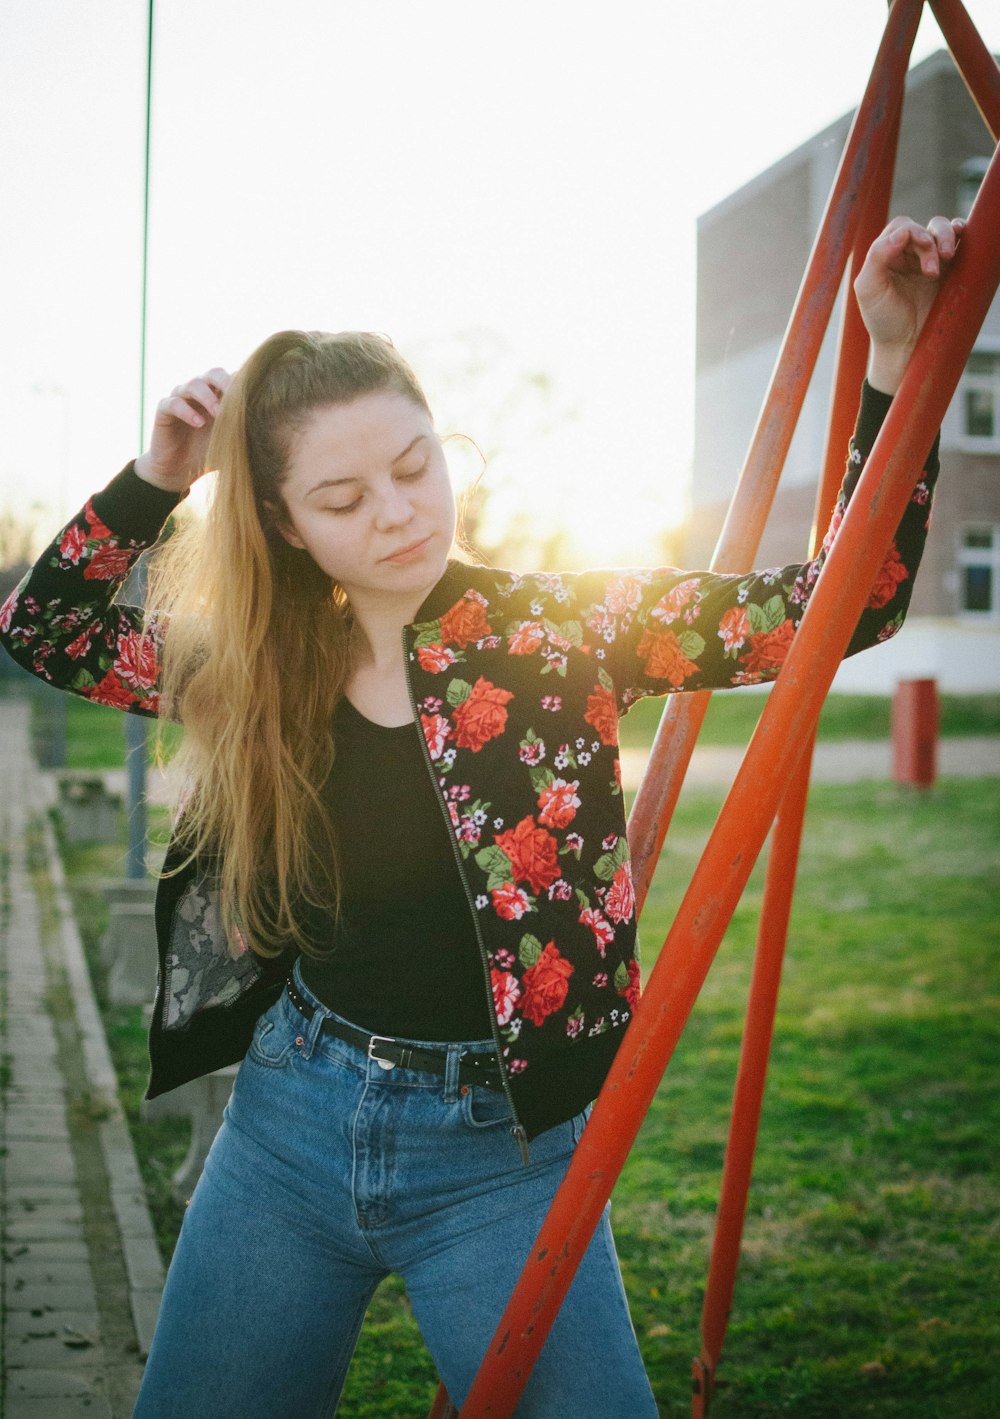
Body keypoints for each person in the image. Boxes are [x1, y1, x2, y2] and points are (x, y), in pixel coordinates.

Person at [0, 214, 962, 1418]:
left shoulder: (559, 629)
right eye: (345, 498)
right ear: (289, 528)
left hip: (499, 1155)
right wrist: (158, 476)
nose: (399, 512)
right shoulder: (253, 657)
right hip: (290, 1127)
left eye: (415, 465)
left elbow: (844, 604)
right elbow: (49, 631)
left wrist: (886, 361)